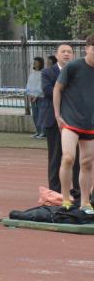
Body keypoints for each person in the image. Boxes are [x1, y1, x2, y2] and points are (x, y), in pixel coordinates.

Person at [53, 34, 94, 213]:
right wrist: (57, 115)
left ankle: (85, 202)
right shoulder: (74, 66)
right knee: (68, 157)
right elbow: (57, 89)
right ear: (87, 48)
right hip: (70, 121)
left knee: (87, 163)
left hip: (90, 123)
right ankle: (65, 199)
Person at [42, 44, 80, 199]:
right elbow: (48, 91)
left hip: (75, 121)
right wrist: (69, 93)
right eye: (63, 51)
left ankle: (78, 191)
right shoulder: (48, 72)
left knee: (77, 158)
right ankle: (55, 192)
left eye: (69, 52)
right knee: (56, 157)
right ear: (56, 55)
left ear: (73, 55)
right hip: (54, 121)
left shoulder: (78, 72)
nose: (66, 54)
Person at [26, 56, 45, 139]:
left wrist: (36, 95)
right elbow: (28, 84)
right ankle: (38, 131)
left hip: (40, 97)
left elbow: (41, 85)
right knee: (35, 115)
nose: (34, 63)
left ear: (40, 63)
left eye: (36, 62)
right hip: (32, 98)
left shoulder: (42, 74)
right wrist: (29, 94)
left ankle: (43, 133)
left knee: (41, 115)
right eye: (34, 62)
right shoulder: (32, 74)